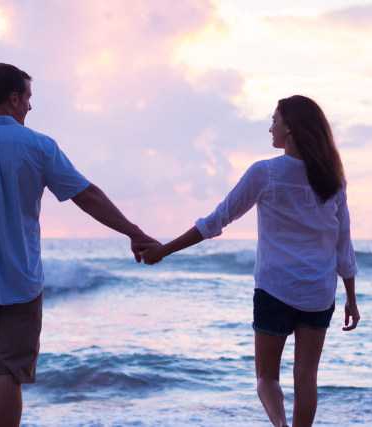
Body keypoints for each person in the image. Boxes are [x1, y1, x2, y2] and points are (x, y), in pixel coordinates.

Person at [0, 63, 158, 427]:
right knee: (9, 374)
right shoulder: (40, 146)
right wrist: (132, 231)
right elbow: (87, 195)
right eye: (28, 98)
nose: (30, 107)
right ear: (13, 98)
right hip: (23, 282)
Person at [138, 95, 360, 427]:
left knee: (266, 378)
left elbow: (216, 221)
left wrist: (164, 250)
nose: (270, 126)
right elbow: (343, 244)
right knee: (306, 380)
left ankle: (281, 426)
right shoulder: (333, 180)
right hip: (318, 293)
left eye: (274, 120)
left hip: (275, 289)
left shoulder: (265, 173)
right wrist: (351, 298)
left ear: (290, 129)